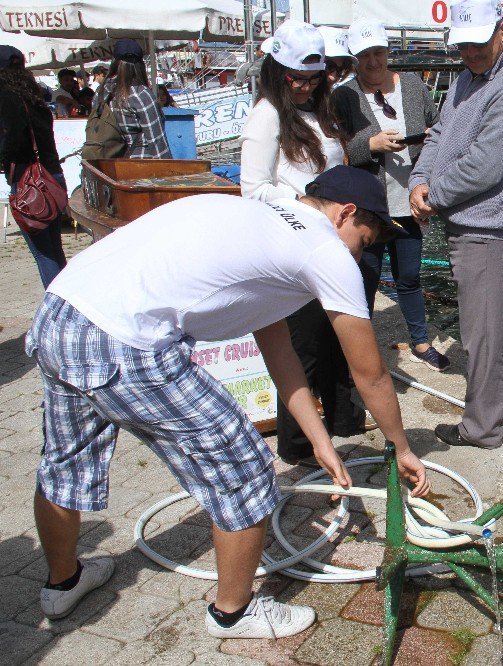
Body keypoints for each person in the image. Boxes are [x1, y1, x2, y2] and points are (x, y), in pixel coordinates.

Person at [25, 164, 429, 637]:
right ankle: (234, 614)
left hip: (62, 312)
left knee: (65, 462)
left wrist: (319, 438)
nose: (366, 251)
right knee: (244, 470)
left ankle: (63, 583)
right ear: (345, 213)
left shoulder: (263, 216)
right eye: (369, 237)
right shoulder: (325, 249)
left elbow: (275, 343)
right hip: (126, 342)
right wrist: (401, 448)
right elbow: (370, 373)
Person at [409, 0, 503, 449]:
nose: (469, 53)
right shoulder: (466, 79)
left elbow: (486, 165)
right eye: (462, 45)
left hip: (487, 229)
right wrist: (420, 180)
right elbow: (441, 135)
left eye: (478, 44)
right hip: (467, 221)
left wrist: (435, 196)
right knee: (495, 329)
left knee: (479, 337)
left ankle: (481, 428)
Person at [240, 20, 372, 467]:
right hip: (294, 245)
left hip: (331, 240)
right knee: (304, 348)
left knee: (335, 337)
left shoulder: (321, 109)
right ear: (277, 72)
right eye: (298, 78)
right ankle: (298, 445)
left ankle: (342, 420)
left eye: (317, 77)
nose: (306, 86)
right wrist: (307, 203)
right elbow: (253, 188)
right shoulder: (268, 115)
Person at [334, 20, 450, 372]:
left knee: (409, 277)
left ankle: (420, 341)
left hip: (408, 201)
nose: (373, 61)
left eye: (379, 53)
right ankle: (362, 351)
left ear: (388, 52)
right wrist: (369, 145)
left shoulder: (413, 85)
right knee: (364, 279)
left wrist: (431, 138)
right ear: (355, 59)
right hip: (369, 208)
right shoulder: (344, 96)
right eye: (365, 55)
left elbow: (439, 127)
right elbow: (337, 150)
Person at [0, 45, 68, 288]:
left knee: (44, 253)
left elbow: (15, 137)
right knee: (56, 250)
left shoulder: (7, 96)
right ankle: (71, 302)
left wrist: (5, 160)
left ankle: (58, 311)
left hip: (30, 181)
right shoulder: (35, 95)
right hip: (53, 175)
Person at [98, 39, 171, 158]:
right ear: (140, 65)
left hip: (108, 163)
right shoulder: (140, 94)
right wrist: (169, 172)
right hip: (139, 165)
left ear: (115, 62)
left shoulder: (102, 91)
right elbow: (157, 142)